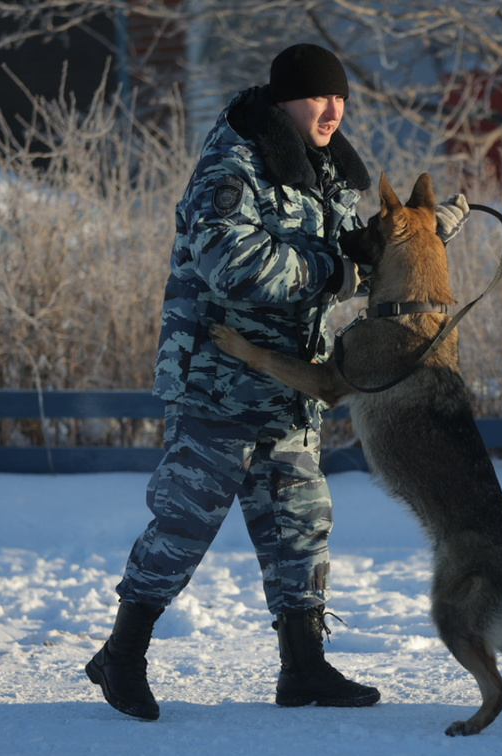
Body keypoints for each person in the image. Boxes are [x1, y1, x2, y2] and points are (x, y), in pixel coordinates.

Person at [85, 42, 470, 720]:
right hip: (217, 381)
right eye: (318, 97)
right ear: (283, 99)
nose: (333, 110)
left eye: (341, 98)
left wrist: (420, 236)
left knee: (300, 525)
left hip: (288, 388)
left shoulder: (322, 170)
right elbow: (234, 266)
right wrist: (335, 273)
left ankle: (304, 668)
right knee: (184, 523)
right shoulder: (231, 164)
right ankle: (122, 654)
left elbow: (360, 251)